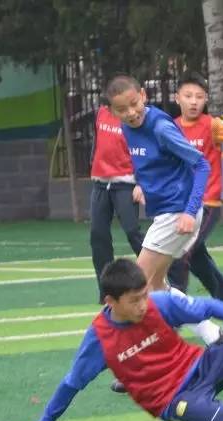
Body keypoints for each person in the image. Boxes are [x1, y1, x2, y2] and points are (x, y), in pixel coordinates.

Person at [0, 259, 223, 421]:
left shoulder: (160, 303)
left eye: (144, 295)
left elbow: (209, 305)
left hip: (203, 364)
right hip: (174, 400)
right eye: (134, 301)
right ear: (110, 302)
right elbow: (72, 383)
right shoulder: (99, 339)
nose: (144, 305)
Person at [104, 74, 221, 345]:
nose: (130, 112)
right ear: (112, 112)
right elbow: (155, 164)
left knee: (132, 286)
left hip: (177, 213)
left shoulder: (160, 127)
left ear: (143, 95)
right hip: (166, 212)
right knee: (156, 288)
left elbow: (201, 165)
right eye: (122, 109)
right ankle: (213, 334)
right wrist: (143, 185)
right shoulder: (128, 128)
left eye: (134, 104)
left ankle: (133, 354)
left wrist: (190, 212)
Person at [167, 72, 223, 311]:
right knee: (197, 259)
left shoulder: (212, 125)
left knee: (180, 254)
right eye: (188, 96)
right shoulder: (170, 128)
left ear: (206, 100)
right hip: (181, 206)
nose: (194, 101)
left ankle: (175, 314)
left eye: (199, 97)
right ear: (177, 98)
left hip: (208, 204)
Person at [89, 104, 145, 303]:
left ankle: (157, 276)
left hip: (125, 183)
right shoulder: (101, 113)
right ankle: (106, 293)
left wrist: (141, 182)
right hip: (100, 183)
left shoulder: (134, 117)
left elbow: (143, 152)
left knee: (132, 232)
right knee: (98, 235)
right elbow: (97, 145)